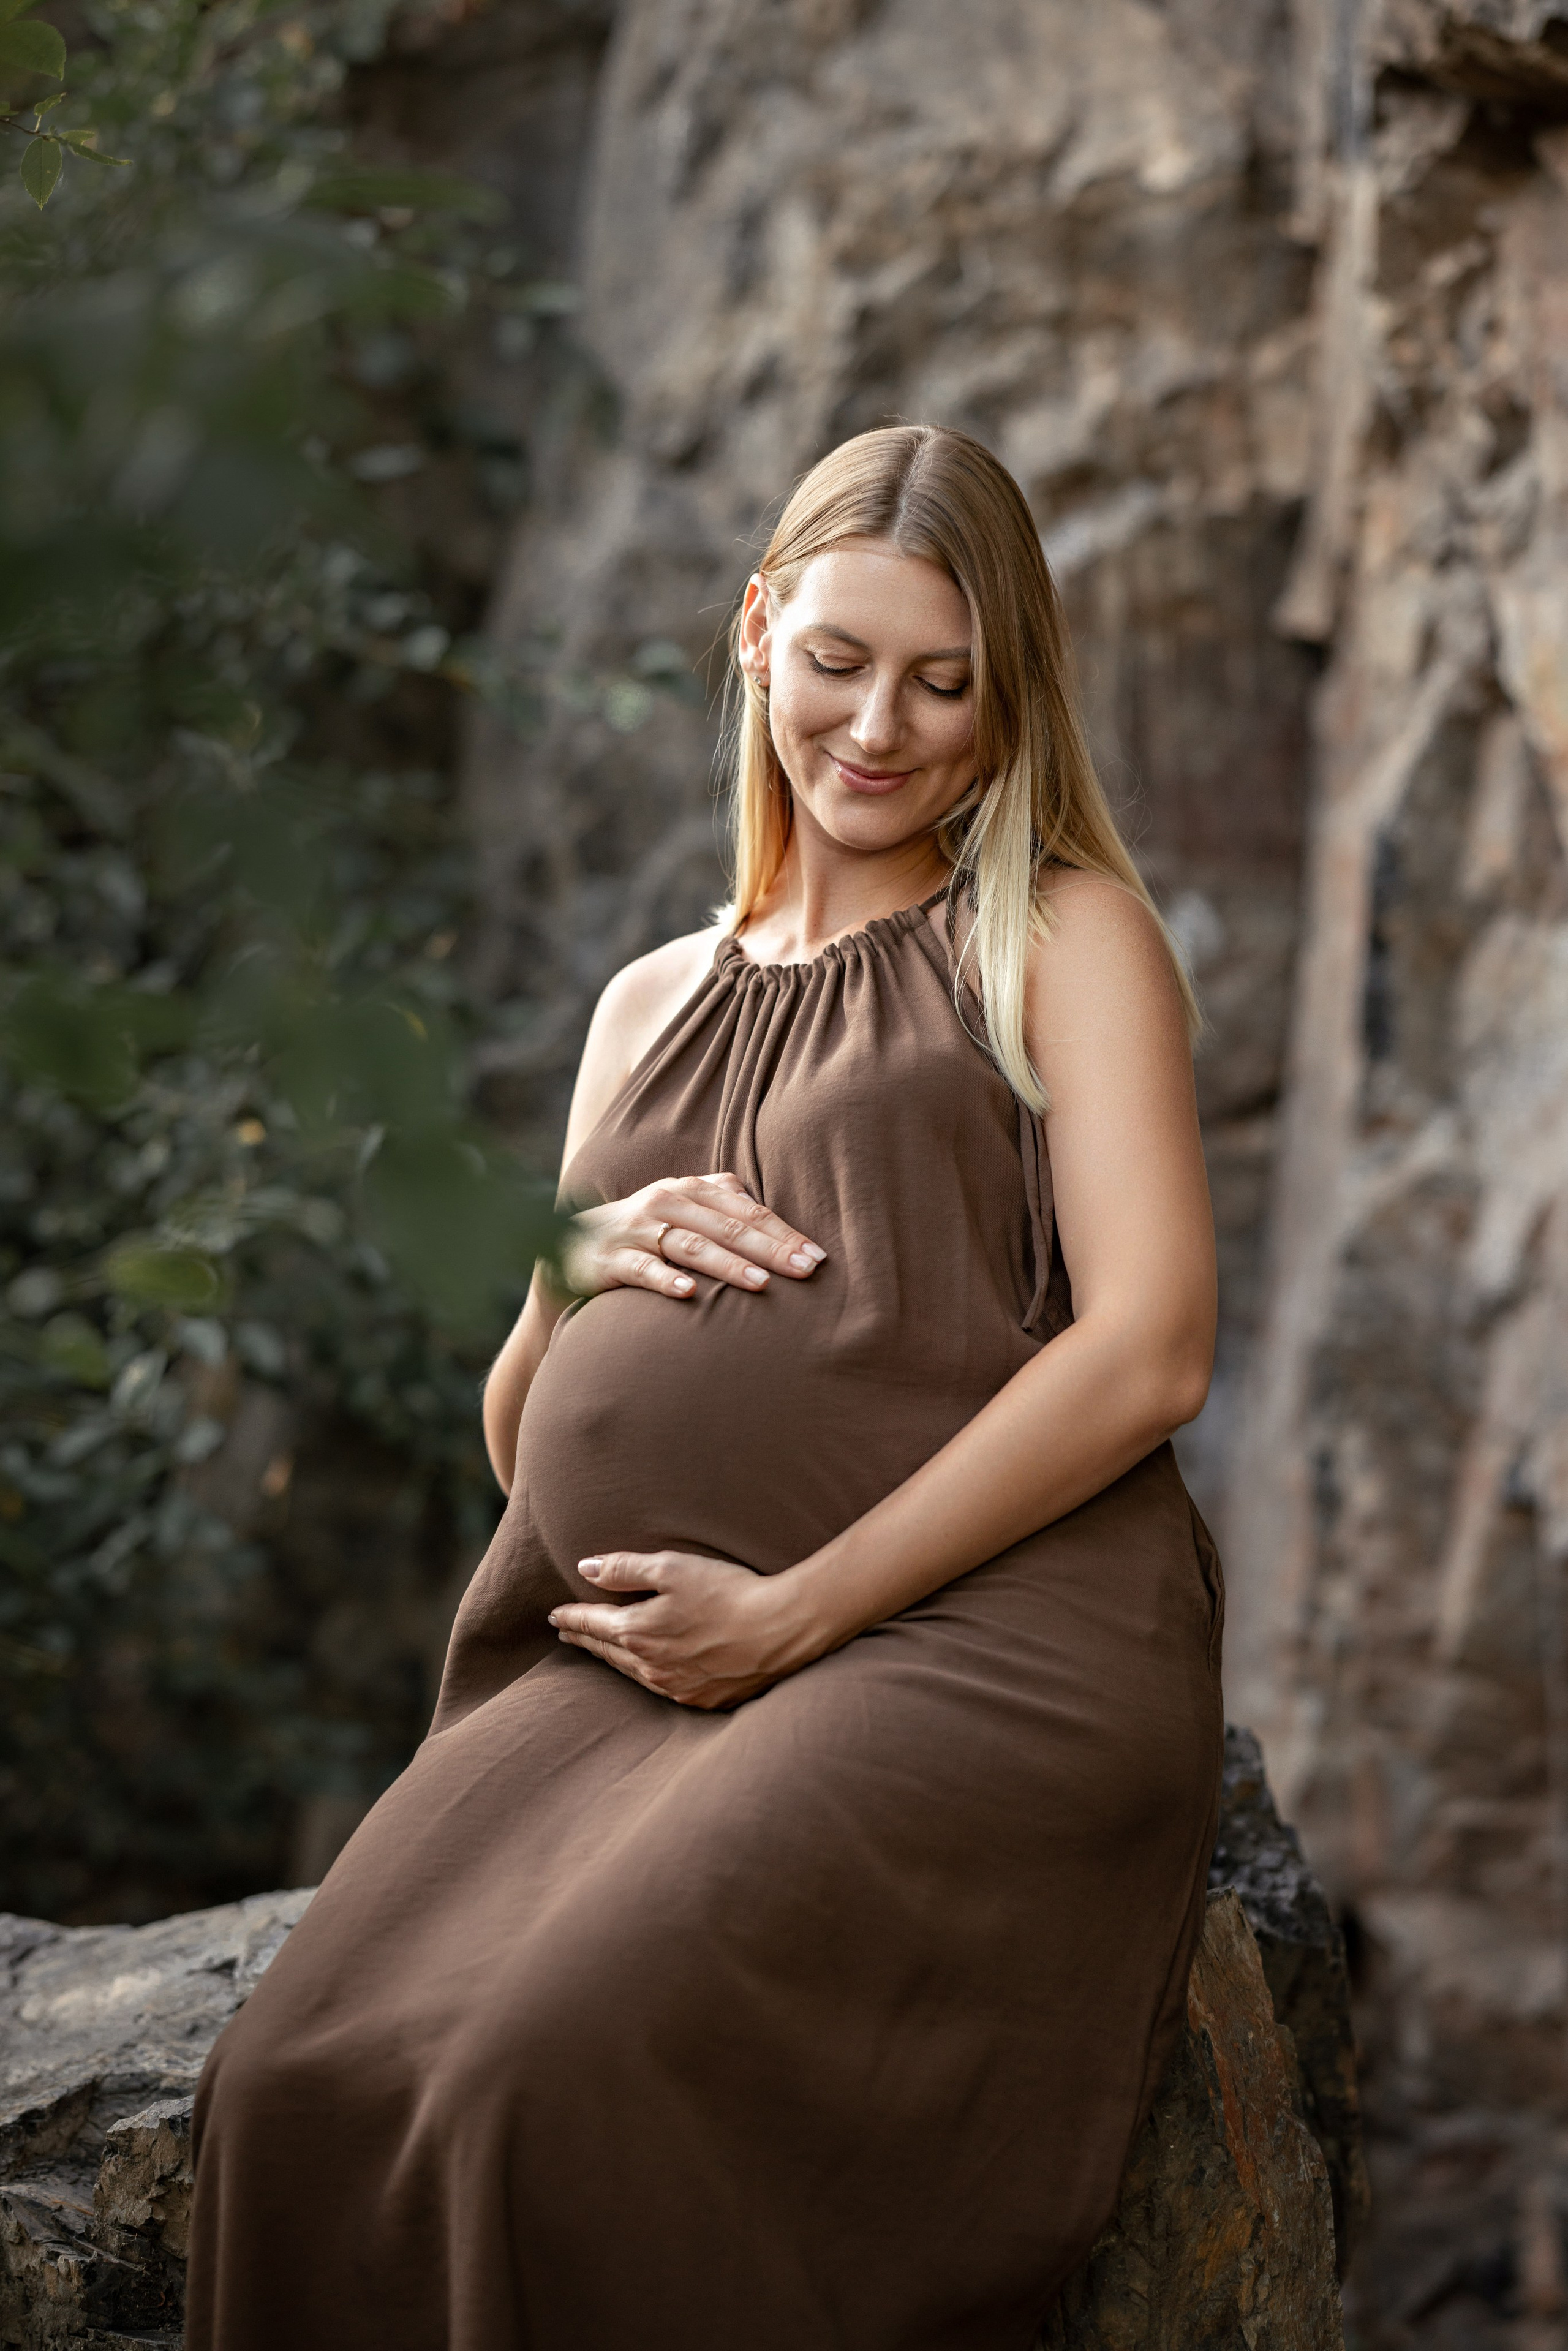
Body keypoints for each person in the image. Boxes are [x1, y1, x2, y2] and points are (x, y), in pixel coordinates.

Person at [185, 424, 1224, 2351]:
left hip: (970, 1637)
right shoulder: (647, 1000)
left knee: (535, 2082)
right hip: (636, 1666)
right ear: (757, 634)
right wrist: (559, 1268)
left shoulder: (1063, 936)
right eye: (839, 658)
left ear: (1010, 701)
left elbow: (1153, 1347)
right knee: (285, 2084)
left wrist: (800, 1611)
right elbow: (527, 1443)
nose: (881, 727)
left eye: (944, 680)